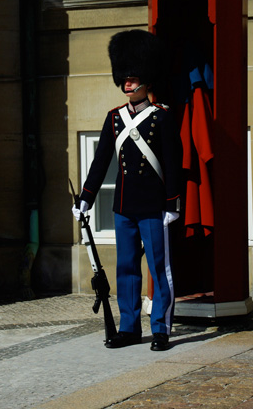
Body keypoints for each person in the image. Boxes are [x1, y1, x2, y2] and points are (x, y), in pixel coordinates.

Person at [72, 29, 183, 351]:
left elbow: (173, 163)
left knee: (160, 271)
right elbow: (100, 161)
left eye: (134, 77)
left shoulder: (161, 118)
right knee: (126, 270)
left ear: (147, 80)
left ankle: (161, 329)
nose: (128, 83)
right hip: (123, 206)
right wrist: (85, 198)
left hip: (154, 207)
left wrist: (172, 204)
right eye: (125, 78)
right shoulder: (114, 118)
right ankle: (130, 327)